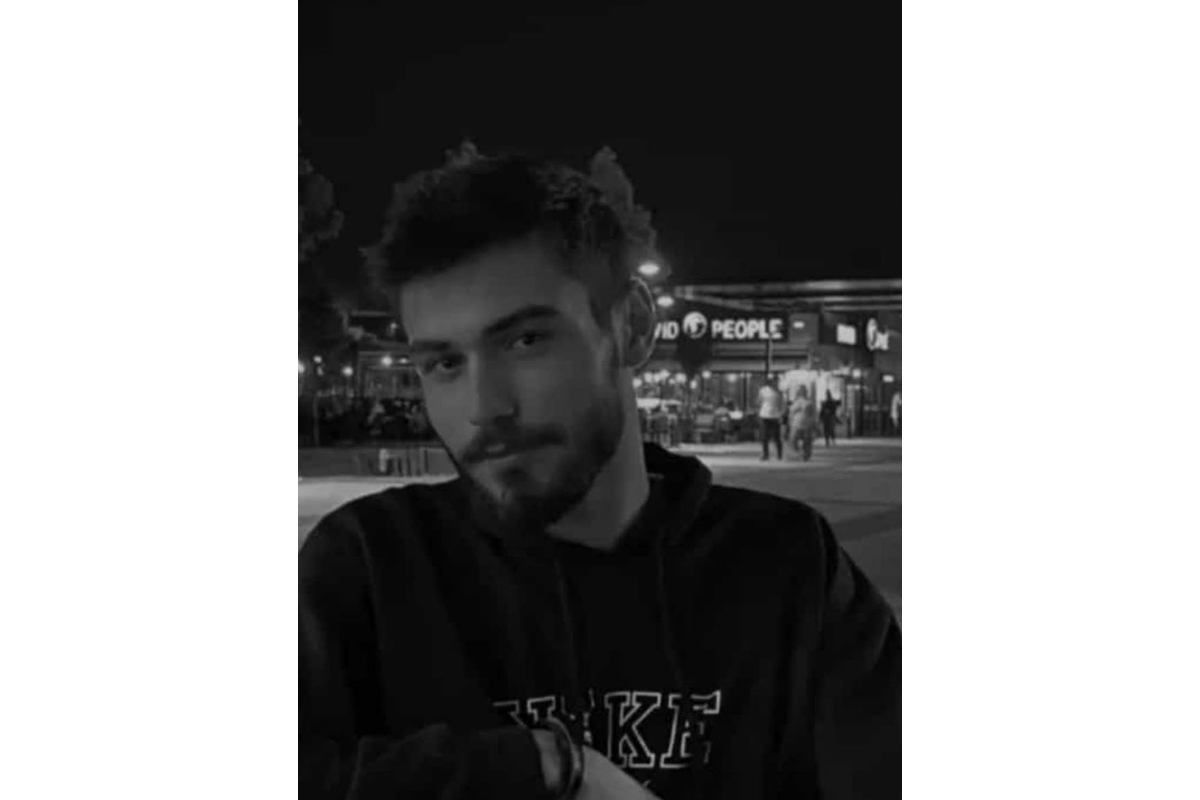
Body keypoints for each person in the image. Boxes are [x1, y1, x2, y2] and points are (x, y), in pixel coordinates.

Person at [299, 149, 900, 799]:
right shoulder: (371, 565)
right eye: (444, 364)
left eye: (526, 341)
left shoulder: (786, 565)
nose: (483, 407)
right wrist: (543, 769)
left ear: (633, 325)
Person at [755, 376, 784, 461]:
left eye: (777, 382)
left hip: (775, 416)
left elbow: (781, 404)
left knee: (777, 437)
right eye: (775, 381)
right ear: (770, 382)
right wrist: (759, 411)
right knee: (764, 436)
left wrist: (781, 414)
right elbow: (759, 401)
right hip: (764, 415)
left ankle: (779, 455)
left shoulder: (779, 392)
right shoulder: (763, 390)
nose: (776, 383)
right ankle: (765, 455)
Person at [788, 385, 818, 461]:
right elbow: (791, 413)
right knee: (793, 440)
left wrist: (814, 424)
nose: (802, 392)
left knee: (806, 441)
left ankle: (806, 455)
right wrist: (790, 422)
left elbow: (813, 415)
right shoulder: (796, 402)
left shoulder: (809, 402)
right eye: (801, 391)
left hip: (806, 424)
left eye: (804, 391)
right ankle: (800, 453)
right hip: (796, 424)